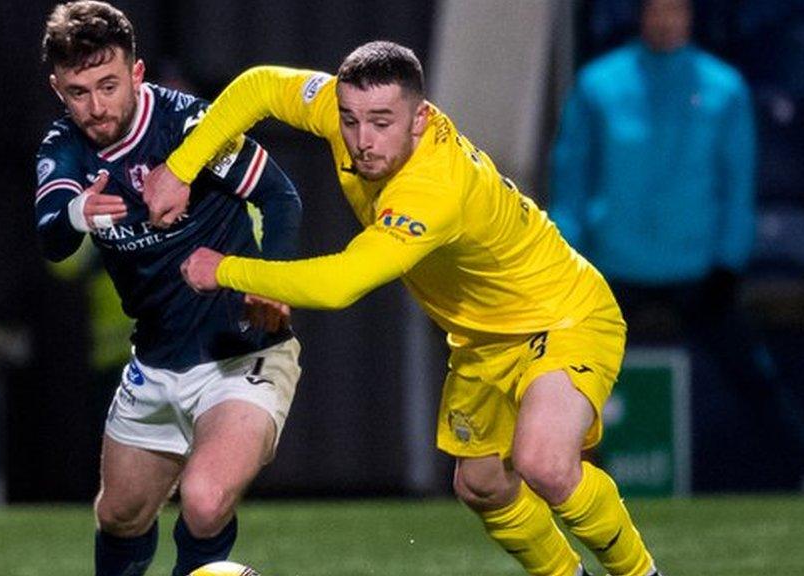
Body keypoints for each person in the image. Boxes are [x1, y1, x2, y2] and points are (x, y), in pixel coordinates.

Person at [144, 41, 663, 576]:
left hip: (563, 313)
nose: (362, 141)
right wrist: (181, 168)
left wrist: (223, 269)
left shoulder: (433, 189)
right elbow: (260, 86)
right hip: (483, 338)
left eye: (382, 123)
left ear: (420, 119)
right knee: (482, 486)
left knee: (545, 464)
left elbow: (341, 283)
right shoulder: (344, 112)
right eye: (351, 121)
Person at [34, 2, 304, 575]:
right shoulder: (64, 146)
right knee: (120, 514)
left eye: (109, 84)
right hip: (155, 361)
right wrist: (79, 212)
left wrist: (273, 285)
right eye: (78, 91)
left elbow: (280, 197)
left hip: (241, 352)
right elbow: (52, 236)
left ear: (136, 73)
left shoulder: (191, 126)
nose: (96, 106)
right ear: (58, 89)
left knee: (204, 501)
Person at [549, 0, 804, 498]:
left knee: (752, 374)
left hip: (697, 267)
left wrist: (728, 262)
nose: (666, 21)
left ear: (691, 17)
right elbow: (571, 178)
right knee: (560, 373)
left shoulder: (724, 89)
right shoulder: (597, 86)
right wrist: (569, 258)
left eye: (676, 11)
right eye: (657, 11)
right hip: (612, 266)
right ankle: (543, 473)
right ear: (642, 16)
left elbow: (737, 184)